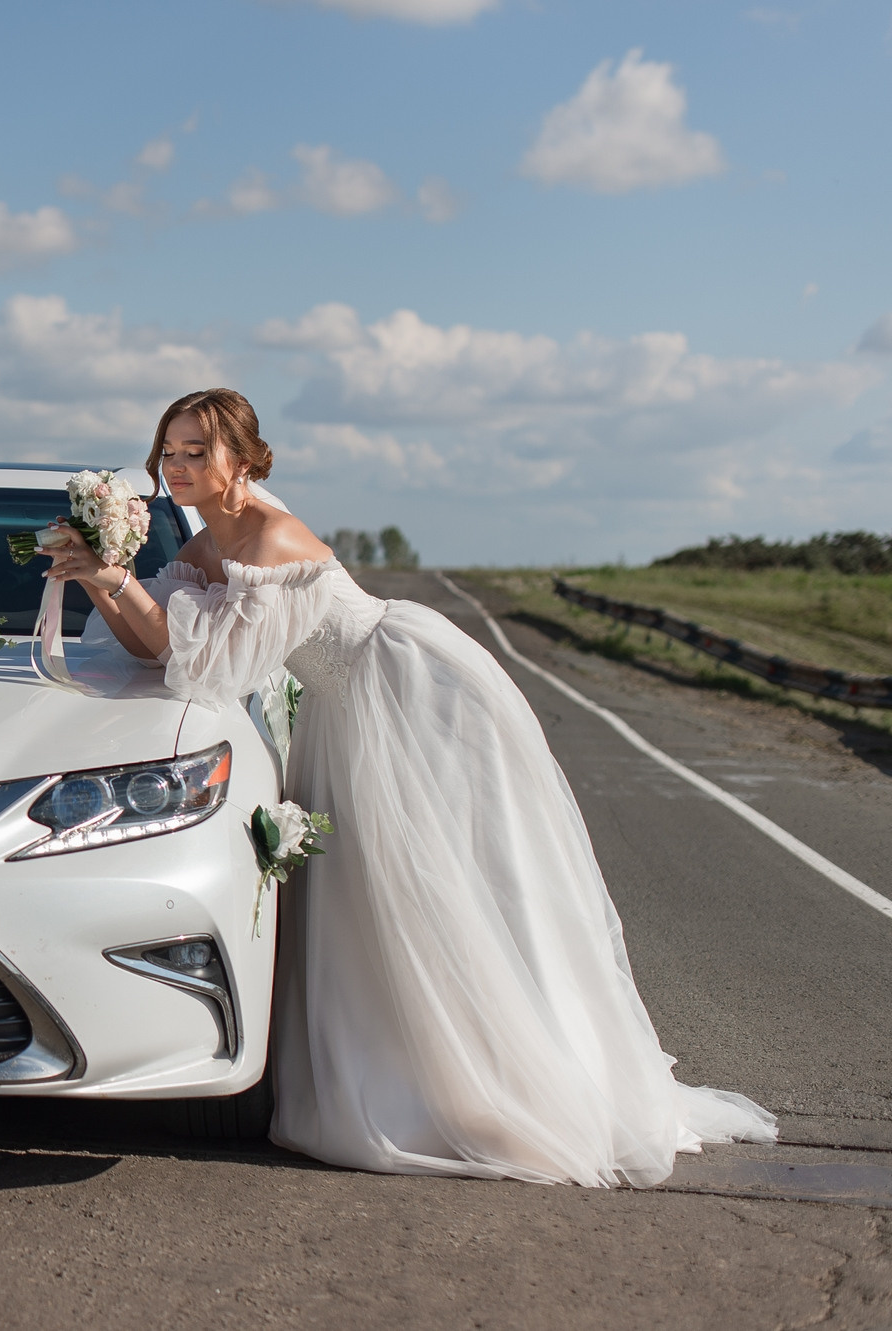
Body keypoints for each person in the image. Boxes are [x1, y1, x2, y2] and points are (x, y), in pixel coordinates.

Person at [40, 387, 775, 1186]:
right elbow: (158, 648)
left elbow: (210, 667)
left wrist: (118, 576)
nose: (177, 466)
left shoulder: (273, 537)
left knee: (449, 885)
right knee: (368, 899)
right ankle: (412, 1065)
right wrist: (97, 581)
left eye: (196, 452)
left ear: (243, 462)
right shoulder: (210, 546)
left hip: (406, 692)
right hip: (341, 711)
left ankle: (514, 1077)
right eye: (169, 451)